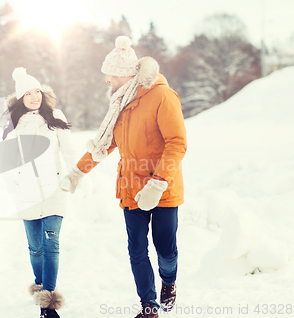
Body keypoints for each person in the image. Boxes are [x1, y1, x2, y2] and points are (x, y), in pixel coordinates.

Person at [61, 36, 187, 318]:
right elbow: (106, 144)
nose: (107, 80)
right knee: (137, 250)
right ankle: (149, 306)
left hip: (162, 188)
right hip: (131, 187)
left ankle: (169, 282)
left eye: (110, 74)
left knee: (165, 248)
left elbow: (176, 142)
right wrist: (77, 173)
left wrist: (157, 182)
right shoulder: (121, 104)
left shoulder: (162, 96)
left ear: (125, 74)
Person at [3, 67, 77, 318]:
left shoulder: (55, 117)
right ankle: (40, 284)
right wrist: (12, 183)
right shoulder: (14, 124)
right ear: (21, 99)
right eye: (29, 93)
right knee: (35, 247)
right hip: (27, 191)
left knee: (51, 243)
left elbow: (69, 151)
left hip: (54, 188)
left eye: (38, 91)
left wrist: (73, 176)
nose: (35, 97)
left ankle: (48, 302)